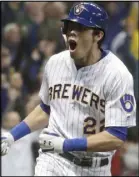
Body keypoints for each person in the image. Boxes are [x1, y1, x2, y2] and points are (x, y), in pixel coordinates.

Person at [1, 2, 136, 176]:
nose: (72, 32)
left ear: (98, 35)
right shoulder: (55, 63)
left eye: (79, 27)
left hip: (95, 168)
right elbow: (46, 109)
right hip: (53, 161)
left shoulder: (117, 74)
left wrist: (67, 144)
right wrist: (12, 135)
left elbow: (116, 136)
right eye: (69, 26)